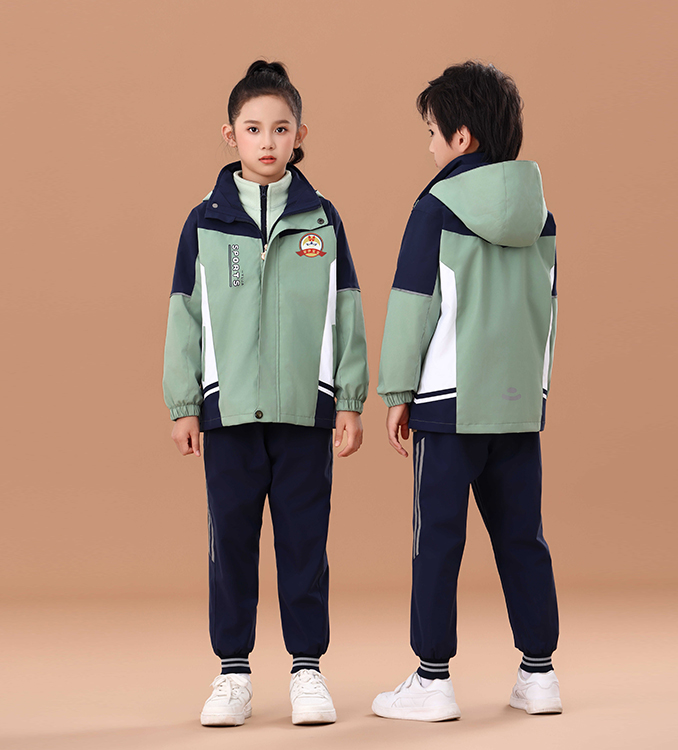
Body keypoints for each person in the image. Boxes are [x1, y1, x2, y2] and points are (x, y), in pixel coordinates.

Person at [163, 60, 368, 727]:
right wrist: (184, 405)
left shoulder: (322, 219)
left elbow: (346, 309)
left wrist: (350, 400)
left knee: (305, 543)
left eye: (281, 128)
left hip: (305, 412)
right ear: (231, 136)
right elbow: (185, 316)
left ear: (300, 134)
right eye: (253, 128)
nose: (268, 141)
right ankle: (233, 673)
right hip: (227, 414)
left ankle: (308, 670)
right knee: (231, 544)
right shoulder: (205, 222)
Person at [373, 61, 561, 721]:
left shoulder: (435, 207)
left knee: (437, 541)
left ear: (462, 138)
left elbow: (412, 303)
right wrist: (535, 395)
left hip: (447, 408)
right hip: (517, 406)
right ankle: (539, 674)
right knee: (522, 538)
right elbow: (547, 313)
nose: (429, 147)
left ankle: (432, 680)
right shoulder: (542, 218)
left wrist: (397, 392)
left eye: (432, 133)